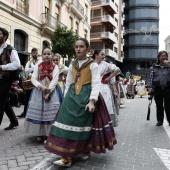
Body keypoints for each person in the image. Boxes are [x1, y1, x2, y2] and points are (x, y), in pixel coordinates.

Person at [45, 38, 117, 167]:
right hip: (72, 96)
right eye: (76, 46)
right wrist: (66, 99)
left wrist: (92, 101)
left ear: (88, 49)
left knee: (86, 125)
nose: (78, 49)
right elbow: (69, 82)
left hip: (87, 96)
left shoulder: (93, 65)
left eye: (81, 46)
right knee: (66, 124)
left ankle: (85, 149)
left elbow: (96, 83)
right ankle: (66, 157)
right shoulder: (72, 64)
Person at [24, 48, 60, 141]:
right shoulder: (38, 66)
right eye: (45, 54)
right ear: (42, 55)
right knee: (40, 112)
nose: (47, 55)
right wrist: (40, 86)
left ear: (51, 55)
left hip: (51, 91)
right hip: (39, 91)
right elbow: (33, 78)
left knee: (49, 112)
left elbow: (55, 80)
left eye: (48, 53)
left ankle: (49, 133)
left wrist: (48, 91)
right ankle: (39, 133)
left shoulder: (55, 67)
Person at [92, 50, 120, 127]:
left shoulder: (106, 64)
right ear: (96, 55)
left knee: (106, 106)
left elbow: (117, 70)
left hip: (103, 88)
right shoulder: (90, 64)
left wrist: (109, 78)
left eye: (104, 55)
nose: (104, 56)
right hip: (92, 87)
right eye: (102, 54)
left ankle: (105, 126)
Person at [0, 27, 20, 127]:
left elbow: (17, 64)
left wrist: (2, 67)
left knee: (1, 101)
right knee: (4, 101)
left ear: (5, 36)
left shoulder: (10, 49)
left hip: (5, 79)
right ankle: (14, 121)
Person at [17, 48, 41, 118]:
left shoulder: (40, 61)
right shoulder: (29, 62)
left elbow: (39, 69)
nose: (35, 54)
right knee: (27, 98)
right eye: (34, 53)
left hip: (37, 81)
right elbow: (26, 70)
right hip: (29, 82)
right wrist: (34, 69)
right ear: (31, 54)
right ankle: (25, 112)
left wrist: (33, 69)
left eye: (36, 53)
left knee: (36, 98)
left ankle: (35, 113)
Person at [148, 50, 170, 126]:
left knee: (169, 105)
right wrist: (150, 88)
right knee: (159, 105)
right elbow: (151, 78)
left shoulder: (169, 66)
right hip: (157, 89)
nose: (163, 57)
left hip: (168, 88)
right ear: (159, 57)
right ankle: (160, 120)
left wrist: (168, 65)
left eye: (165, 56)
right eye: (162, 56)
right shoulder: (154, 66)